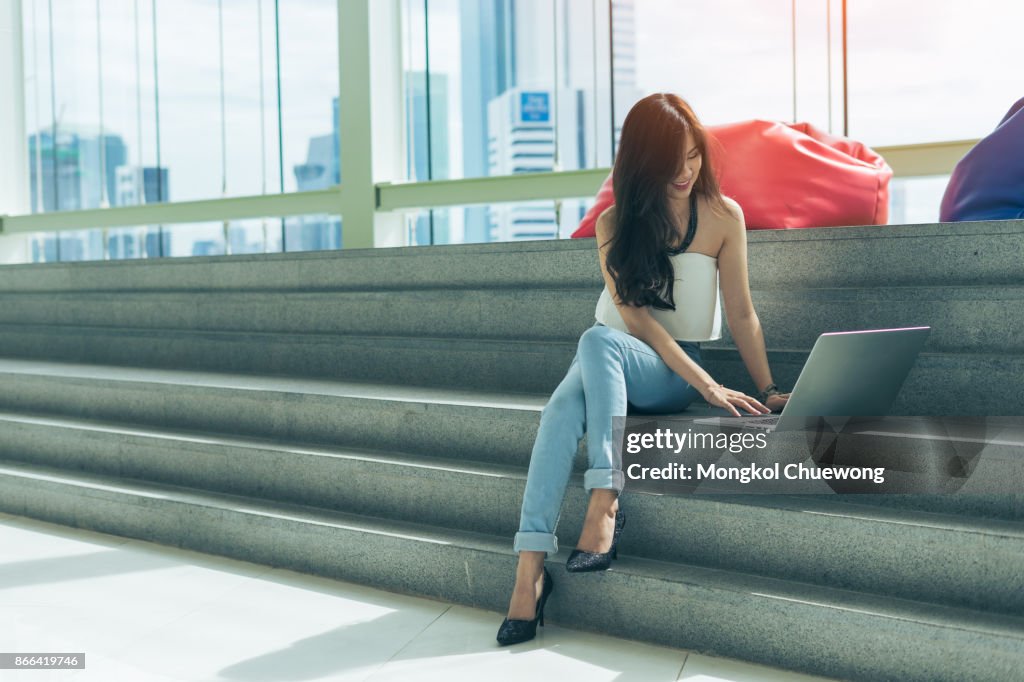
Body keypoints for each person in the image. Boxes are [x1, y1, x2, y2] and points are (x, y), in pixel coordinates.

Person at [495, 93, 791, 646]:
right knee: (564, 404)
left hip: (672, 373)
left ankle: (605, 500)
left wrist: (766, 388)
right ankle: (529, 575)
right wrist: (711, 387)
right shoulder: (614, 224)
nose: (684, 172)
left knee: (595, 344)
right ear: (640, 162)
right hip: (615, 357)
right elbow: (634, 321)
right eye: (669, 160)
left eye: (693, 156)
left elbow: (744, 313)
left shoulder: (724, 217)